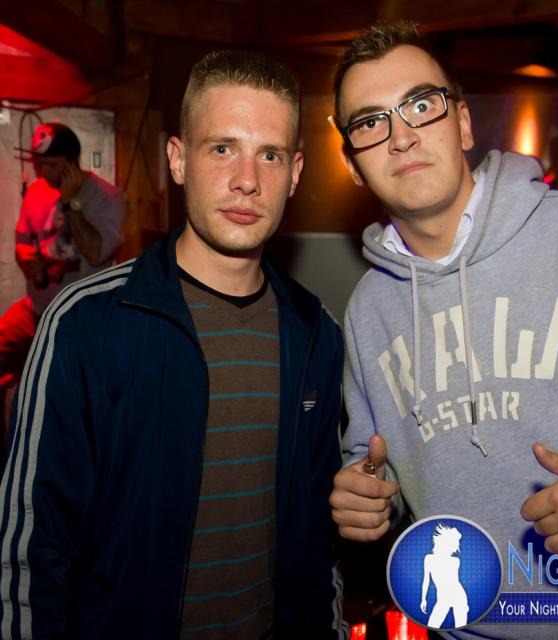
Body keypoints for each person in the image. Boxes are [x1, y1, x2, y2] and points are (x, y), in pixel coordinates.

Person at [0, 50, 348, 639]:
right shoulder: (87, 323)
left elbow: (319, 540)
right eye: (223, 148)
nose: (247, 179)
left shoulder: (315, 333)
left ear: (295, 172)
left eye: (269, 154)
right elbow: (30, 556)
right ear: (178, 160)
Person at [329, 21, 558, 640]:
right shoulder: (368, 309)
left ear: (464, 124)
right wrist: (367, 495)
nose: (402, 137)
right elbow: (374, 464)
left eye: (422, 105)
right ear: (354, 165)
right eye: (370, 122)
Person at [0, 122, 124, 441]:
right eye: (40, 164)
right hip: (36, 309)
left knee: (63, 395)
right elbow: (22, 240)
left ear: (72, 162)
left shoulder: (107, 196)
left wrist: (70, 203)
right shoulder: (37, 190)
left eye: (52, 165)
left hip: (80, 317)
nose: (44, 172)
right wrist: (28, 259)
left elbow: (96, 252)